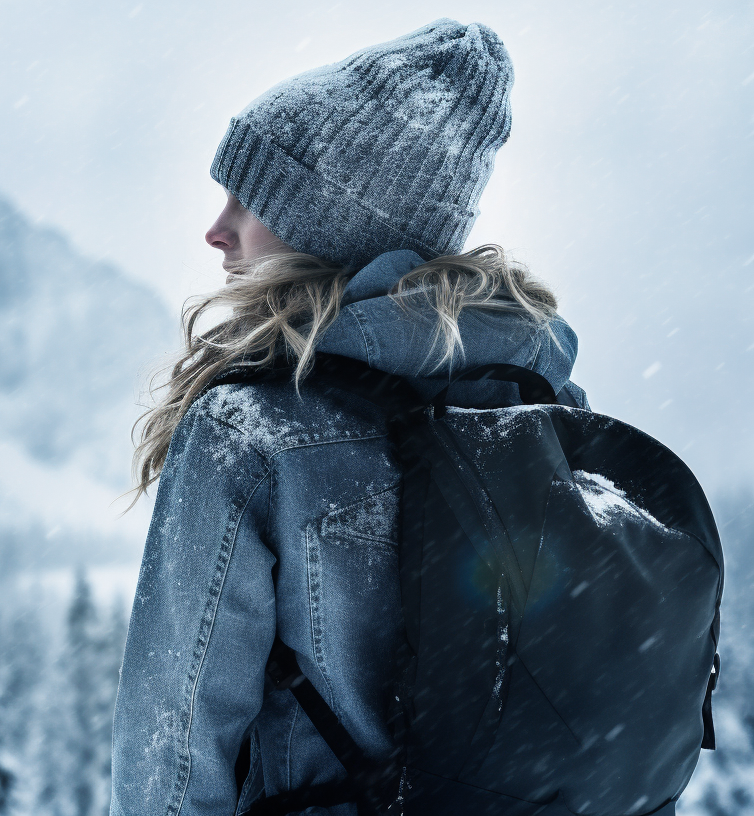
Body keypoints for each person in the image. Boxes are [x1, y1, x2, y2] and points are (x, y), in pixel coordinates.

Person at [111, 19, 590, 816]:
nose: (217, 229)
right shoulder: (547, 404)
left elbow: (175, 742)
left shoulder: (252, 430)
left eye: (250, 200)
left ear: (329, 227)